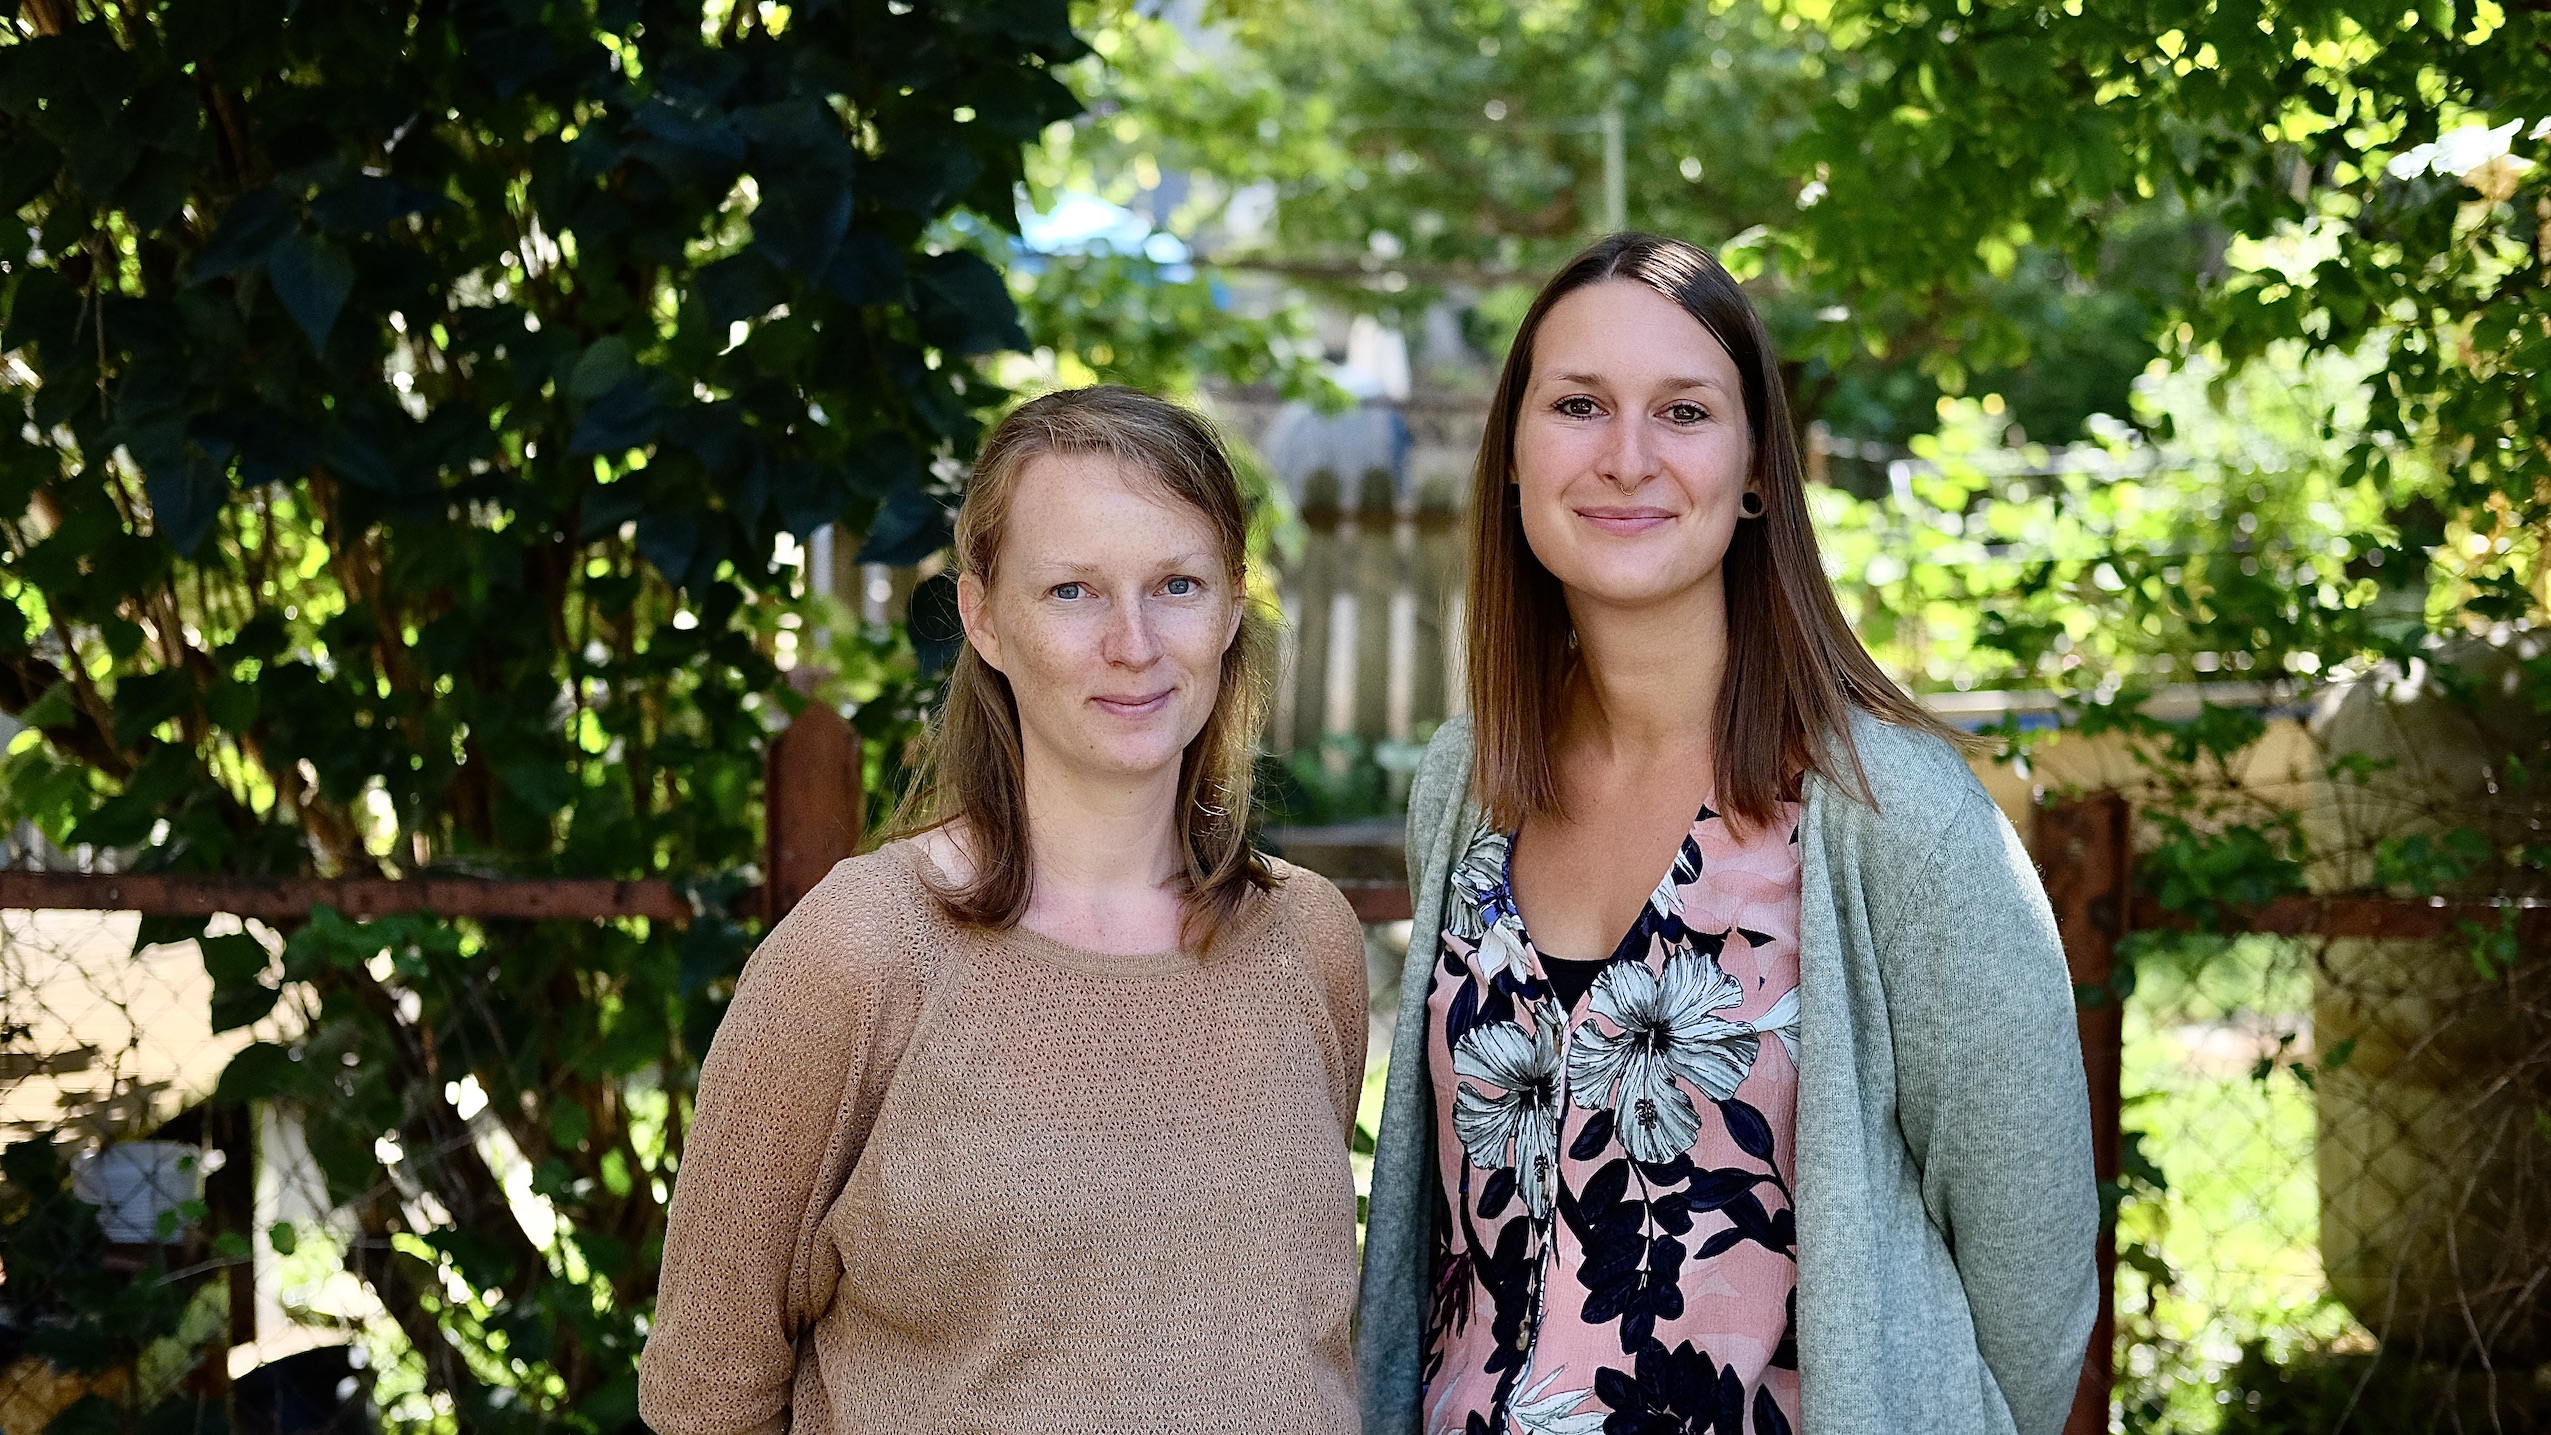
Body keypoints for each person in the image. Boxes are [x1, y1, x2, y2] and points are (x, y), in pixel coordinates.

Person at [1356, 234, 2098, 1435]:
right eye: (1579, 405)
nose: (1626, 457)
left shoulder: (1885, 814)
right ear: (1512, 459)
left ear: (1757, 468)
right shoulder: (1469, 780)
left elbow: (2034, 1277)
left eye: (1685, 411)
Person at [640, 386, 1369, 1435]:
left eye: (1175, 583)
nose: (1133, 642)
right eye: (1073, 591)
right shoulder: (860, 953)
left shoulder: (1308, 941)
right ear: (983, 617)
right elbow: (705, 1394)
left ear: (1231, 603)